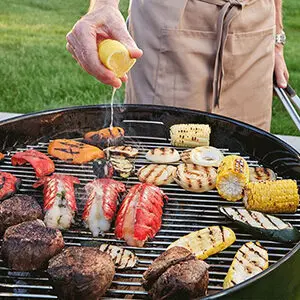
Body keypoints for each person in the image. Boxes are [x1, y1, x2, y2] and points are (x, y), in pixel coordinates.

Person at [66, 0, 289, 131]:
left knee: (249, 165)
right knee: (156, 156)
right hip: (171, 20)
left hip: (255, 24)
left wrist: (277, 38)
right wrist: (103, 5)